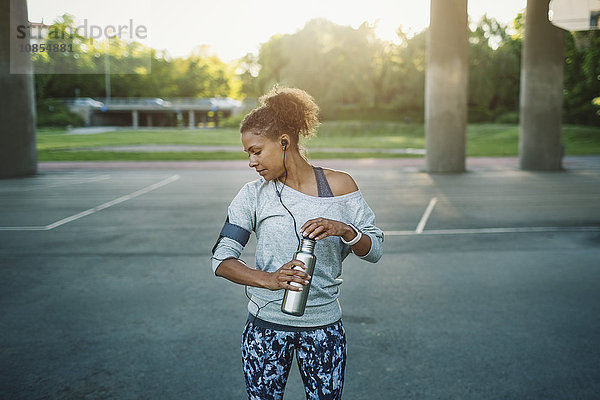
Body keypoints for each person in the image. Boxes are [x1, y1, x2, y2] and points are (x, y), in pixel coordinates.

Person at [211, 86, 384, 400]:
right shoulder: (252, 195)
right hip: (265, 327)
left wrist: (346, 230)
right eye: (248, 153)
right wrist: (271, 280)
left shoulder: (340, 187)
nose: (251, 162)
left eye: (256, 150)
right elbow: (222, 261)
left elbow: (375, 250)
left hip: (324, 328)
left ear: (284, 141)